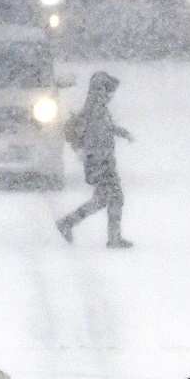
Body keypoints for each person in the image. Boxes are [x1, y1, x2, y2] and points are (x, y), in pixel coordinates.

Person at [55, 71, 134, 249]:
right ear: (102, 90)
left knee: (102, 199)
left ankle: (67, 223)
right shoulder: (96, 110)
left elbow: (105, 129)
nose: (111, 96)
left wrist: (122, 132)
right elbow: (95, 136)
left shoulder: (96, 108)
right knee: (115, 197)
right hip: (100, 162)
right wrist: (100, 159)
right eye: (109, 91)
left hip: (100, 161)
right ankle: (113, 239)